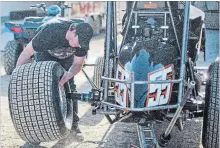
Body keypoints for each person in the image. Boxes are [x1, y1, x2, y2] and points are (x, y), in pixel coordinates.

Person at [16, 17, 93, 147]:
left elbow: (78, 63)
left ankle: (73, 128)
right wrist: (17, 75)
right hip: (46, 54)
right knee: (42, 89)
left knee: (70, 88)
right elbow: (26, 54)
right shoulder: (50, 33)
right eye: (78, 43)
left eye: (81, 45)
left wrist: (69, 75)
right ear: (72, 31)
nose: (79, 46)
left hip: (65, 59)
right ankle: (37, 133)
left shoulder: (82, 40)